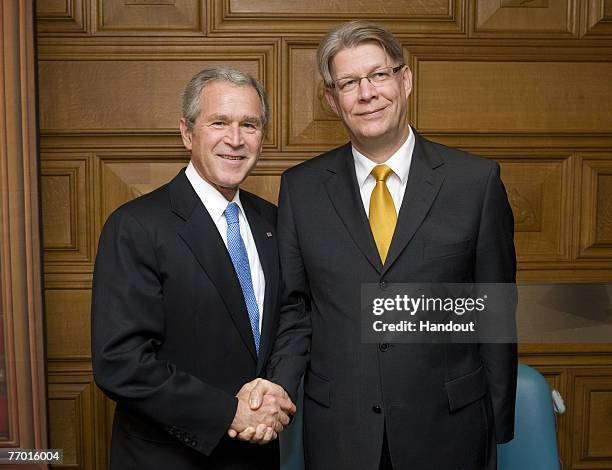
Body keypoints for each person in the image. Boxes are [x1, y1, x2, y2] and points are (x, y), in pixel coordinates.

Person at [247, 21, 517, 470]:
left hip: (451, 429)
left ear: (405, 80)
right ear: (333, 100)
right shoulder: (301, 188)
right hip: (341, 432)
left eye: (378, 75)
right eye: (349, 83)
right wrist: (277, 385)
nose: (367, 92)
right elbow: (296, 309)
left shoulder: (476, 182)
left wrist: (496, 425)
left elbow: (493, 314)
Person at [91, 67, 295, 470]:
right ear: (187, 132)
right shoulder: (136, 225)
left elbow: (292, 316)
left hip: (258, 456)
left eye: (249, 125)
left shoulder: (274, 223)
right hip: (170, 458)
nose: (235, 140)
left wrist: (276, 390)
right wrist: (229, 412)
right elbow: (120, 362)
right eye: (219, 122)